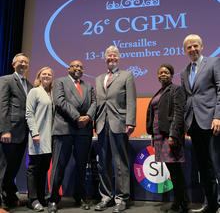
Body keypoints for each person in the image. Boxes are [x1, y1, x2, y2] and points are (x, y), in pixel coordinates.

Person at [47, 60, 96, 213]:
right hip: (64, 129)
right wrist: (77, 117)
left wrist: (88, 116)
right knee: (59, 166)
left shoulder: (88, 85)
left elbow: (95, 102)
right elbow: (60, 101)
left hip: (84, 130)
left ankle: (80, 197)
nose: (78, 68)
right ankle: (53, 199)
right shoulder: (60, 82)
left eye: (80, 67)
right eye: (75, 66)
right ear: (68, 68)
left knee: (81, 166)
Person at [181, 34, 220, 213]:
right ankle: (211, 205)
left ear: (202, 46)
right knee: (203, 168)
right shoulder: (184, 72)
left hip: (212, 123)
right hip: (194, 125)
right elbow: (187, 99)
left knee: (217, 165)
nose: (192, 49)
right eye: (189, 47)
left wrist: (218, 117)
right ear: (185, 50)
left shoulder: (213, 63)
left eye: (195, 46)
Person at [95, 45, 136, 213]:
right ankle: (106, 197)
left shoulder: (127, 75)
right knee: (103, 163)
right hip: (101, 124)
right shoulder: (98, 78)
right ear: (105, 59)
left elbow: (131, 100)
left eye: (114, 56)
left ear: (118, 58)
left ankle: (121, 198)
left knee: (120, 163)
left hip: (119, 123)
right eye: (108, 56)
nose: (111, 58)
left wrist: (131, 122)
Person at [146, 63, 188, 213]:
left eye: (166, 72)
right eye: (160, 72)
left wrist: (174, 134)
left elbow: (178, 112)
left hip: (170, 135)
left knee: (175, 170)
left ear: (171, 75)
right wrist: (152, 134)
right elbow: (154, 114)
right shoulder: (159, 92)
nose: (163, 74)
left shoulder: (176, 90)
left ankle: (181, 203)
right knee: (172, 169)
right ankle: (181, 200)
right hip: (159, 135)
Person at [0, 53, 33, 210]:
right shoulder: (6, 80)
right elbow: (2, 105)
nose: (23, 64)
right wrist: (4, 130)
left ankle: (10, 198)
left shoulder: (29, 85)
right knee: (3, 168)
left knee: (13, 168)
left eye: (26, 62)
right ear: (13, 64)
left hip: (23, 134)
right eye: (20, 61)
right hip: (9, 133)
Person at [26, 67, 54, 211]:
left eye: (49, 74)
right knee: (33, 168)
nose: (47, 76)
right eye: (44, 73)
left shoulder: (52, 94)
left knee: (43, 169)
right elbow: (29, 113)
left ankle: (42, 198)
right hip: (37, 136)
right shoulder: (34, 91)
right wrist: (35, 133)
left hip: (49, 139)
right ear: (39, 76)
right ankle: (32, 199)